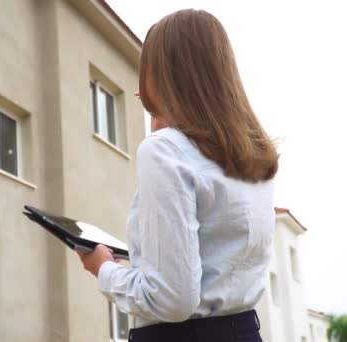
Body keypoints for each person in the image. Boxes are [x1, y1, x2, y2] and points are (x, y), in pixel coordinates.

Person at [78, 8, 279, 342]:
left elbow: (172, 300)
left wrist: (103, 268)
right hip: (244, 331)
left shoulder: (164, 150)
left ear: (162, 76)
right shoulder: (255, 155)